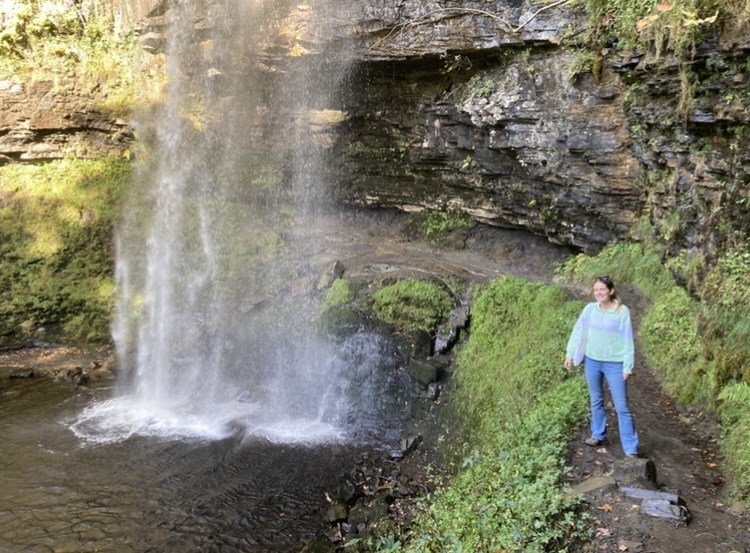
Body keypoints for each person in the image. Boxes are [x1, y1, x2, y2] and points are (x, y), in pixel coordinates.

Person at [564, 276, 639, 458]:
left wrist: (627, 366)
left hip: (615, 363)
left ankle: (630, 448)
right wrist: (570, 353)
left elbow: (627, 339)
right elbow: (578, 331)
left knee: (622, 407)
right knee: (596, 400)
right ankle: (598, 434)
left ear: (611, 291)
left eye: (602, 290)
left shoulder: (622, 311)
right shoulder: (590, 309)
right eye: (596, 290)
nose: (599, 293)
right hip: (592, 361)